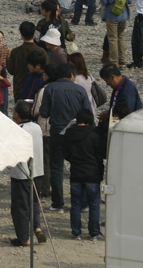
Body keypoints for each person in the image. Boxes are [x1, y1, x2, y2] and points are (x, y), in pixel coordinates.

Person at [39, 63, 93, 212]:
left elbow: (44, 113)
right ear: (71, 75)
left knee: (56, 167)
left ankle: (58, 203)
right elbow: (88, 113)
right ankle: (82, 203)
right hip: (77, 134)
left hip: (57, 132)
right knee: (78, 166)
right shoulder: (80, 90)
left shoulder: (50, 88)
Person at [9, 101, 46, 247]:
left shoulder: (17, 129)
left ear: (17, 115)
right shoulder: (36, 127)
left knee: (20, 206)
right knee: (34, 202)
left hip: (22, 173)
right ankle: (37, 227)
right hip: (38, 170)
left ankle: (24, 238)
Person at [65, 108, 104, 241]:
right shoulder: (94, 134)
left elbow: (65, 153)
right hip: (92, 173)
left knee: (76, 204)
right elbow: (99, 156)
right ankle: (94, 232)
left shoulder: (69, 133)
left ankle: (76, 232)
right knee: (94, 204)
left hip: (76, 172)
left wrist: (74, 160)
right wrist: (101, 172)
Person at [99, 0, 132, 66]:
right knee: (121, 36)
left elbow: (104, 2)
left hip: (111, 14)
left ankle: (113, 61)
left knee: (112, 38)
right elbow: (130, 1)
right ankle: (122, 60)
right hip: (124, 14)